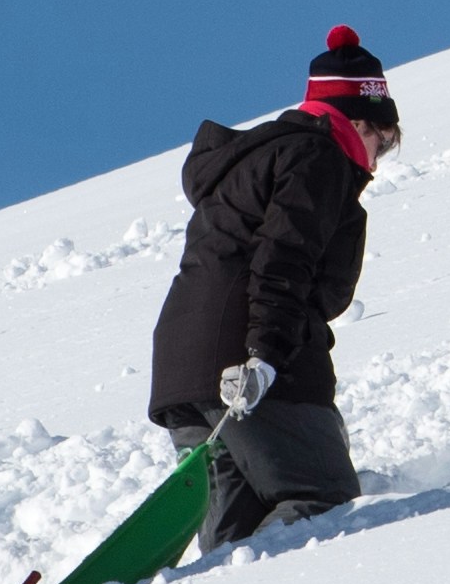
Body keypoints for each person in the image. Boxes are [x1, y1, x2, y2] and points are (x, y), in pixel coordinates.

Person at [149, 29, 401, 548]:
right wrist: (264, 354)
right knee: (320, 498)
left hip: (183, 367)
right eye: (381, 141)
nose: (375, 162)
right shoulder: (317, 158)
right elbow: (283, 257)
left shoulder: (259, 158)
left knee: (233, 540)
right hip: (248, 362)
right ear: (357, 121)